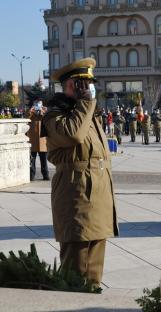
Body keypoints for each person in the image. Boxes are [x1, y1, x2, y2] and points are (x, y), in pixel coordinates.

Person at [43, 58, 119, 288]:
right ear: (69, 87)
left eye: (90, 84)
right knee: (76, 271)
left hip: (97, 199)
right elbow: (72, 135)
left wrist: (86, 107)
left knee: (93, 272)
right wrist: (85, 105)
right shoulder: (55, 116)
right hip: (76, 197)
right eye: (82, 84)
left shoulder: (89, 115)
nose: (89, 89)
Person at [26, 98, 49, 181]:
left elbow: (47, 120)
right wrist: (30, 111)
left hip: (42, 140)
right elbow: (25, 119)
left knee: (44, 160)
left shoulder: (45, 112)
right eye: (36, 103)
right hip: (32, 139)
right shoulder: (30, 112)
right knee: (32, 159)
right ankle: (31, 176)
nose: (38, 105)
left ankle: (46, 175)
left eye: (39, 103)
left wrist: (43, 111)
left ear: (42, 104)